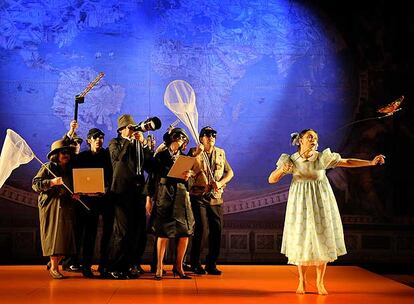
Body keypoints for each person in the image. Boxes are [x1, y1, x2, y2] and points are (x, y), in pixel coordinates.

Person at [267, 129, 385, 295]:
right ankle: (301, 281)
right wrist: (281, 170)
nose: (313, 140)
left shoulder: (323, 158)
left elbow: (347, 162)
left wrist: (370, 162)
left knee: (322, 239)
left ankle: (320, 282)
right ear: (300, 140)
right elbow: (271, 179)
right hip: (300, 205)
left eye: (315, 138)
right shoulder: (291, 160)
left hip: (320, 202)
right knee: (302, 239)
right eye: (310, 137)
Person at [105, 114, 154, 279]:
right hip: (121, 194)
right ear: (121, 130)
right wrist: (127, 140)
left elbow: (150, 166)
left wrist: (145, 146)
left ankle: (130, 265)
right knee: (122, 232)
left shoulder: (137, 144)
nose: (133, 130)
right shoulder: (115, 143)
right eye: (130, 127)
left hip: (138, 194)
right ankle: (114, 267)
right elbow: (117, 158)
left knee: (138, 232)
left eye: (134, 127)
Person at [147, 127, 194, 280]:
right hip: (164, 195)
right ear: (171, 139)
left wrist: (188, 176)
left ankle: (178, 266)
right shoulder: (160, 156)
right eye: (177, 138)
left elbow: (189, 183)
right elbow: (152, 177)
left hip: (181, 196)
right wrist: (148, 198)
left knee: (185, 232)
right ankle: (159, 268)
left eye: (182, 140)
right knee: (162, 232)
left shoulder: (185, 158)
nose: (179, 142)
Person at [187, 126, 234, 275]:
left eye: (213, 135)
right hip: (198, 196)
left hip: (215, 197)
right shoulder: (194, 152)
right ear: (201, 138)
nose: (211, 137)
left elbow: (230, 172)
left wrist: (220, 183)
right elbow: (185, 168)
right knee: (201, 230)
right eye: (207, 135)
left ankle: (211, 263)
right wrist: (196, 154)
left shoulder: (221, 153)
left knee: (216, 230)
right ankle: (195, 263)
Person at [32, 139, 78, 279]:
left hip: (66, 207)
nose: (66, 155)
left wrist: (74, 194)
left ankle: (54, 262)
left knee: (65, 240)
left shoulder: (69, 169)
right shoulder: (48, 167)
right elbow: (35, 184)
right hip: (52, 207)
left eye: (68, 153)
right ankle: (54, 268)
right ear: (56, 154)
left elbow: (70, 188)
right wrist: (51, 182)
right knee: (55, 238)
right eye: (63, 152)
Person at [75, 128, 114, 278]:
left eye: (101, 137)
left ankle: (104, 265)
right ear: (89, 140)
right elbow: (77, 176)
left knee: (108, 233)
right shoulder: (82, 157)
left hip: (107, 199)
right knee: (89, 234)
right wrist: (83, 191)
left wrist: (106, 188)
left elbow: (113, 175)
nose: (99, 139)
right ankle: (86, 266)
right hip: (89, 201)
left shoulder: (108, 155)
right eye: (95, 137)